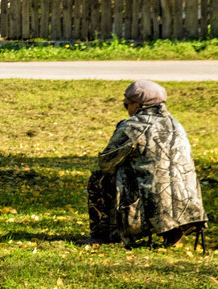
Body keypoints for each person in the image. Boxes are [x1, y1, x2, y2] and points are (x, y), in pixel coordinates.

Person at [84, 80, 207, 248]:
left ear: (140, 104)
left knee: (99, 180)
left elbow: (106, 163)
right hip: (189, 209)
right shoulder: (175, 124)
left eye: (127, 104)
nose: (126, 109)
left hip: (152, 203)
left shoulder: (133, 126)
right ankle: (171, 231)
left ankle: (103, 235)